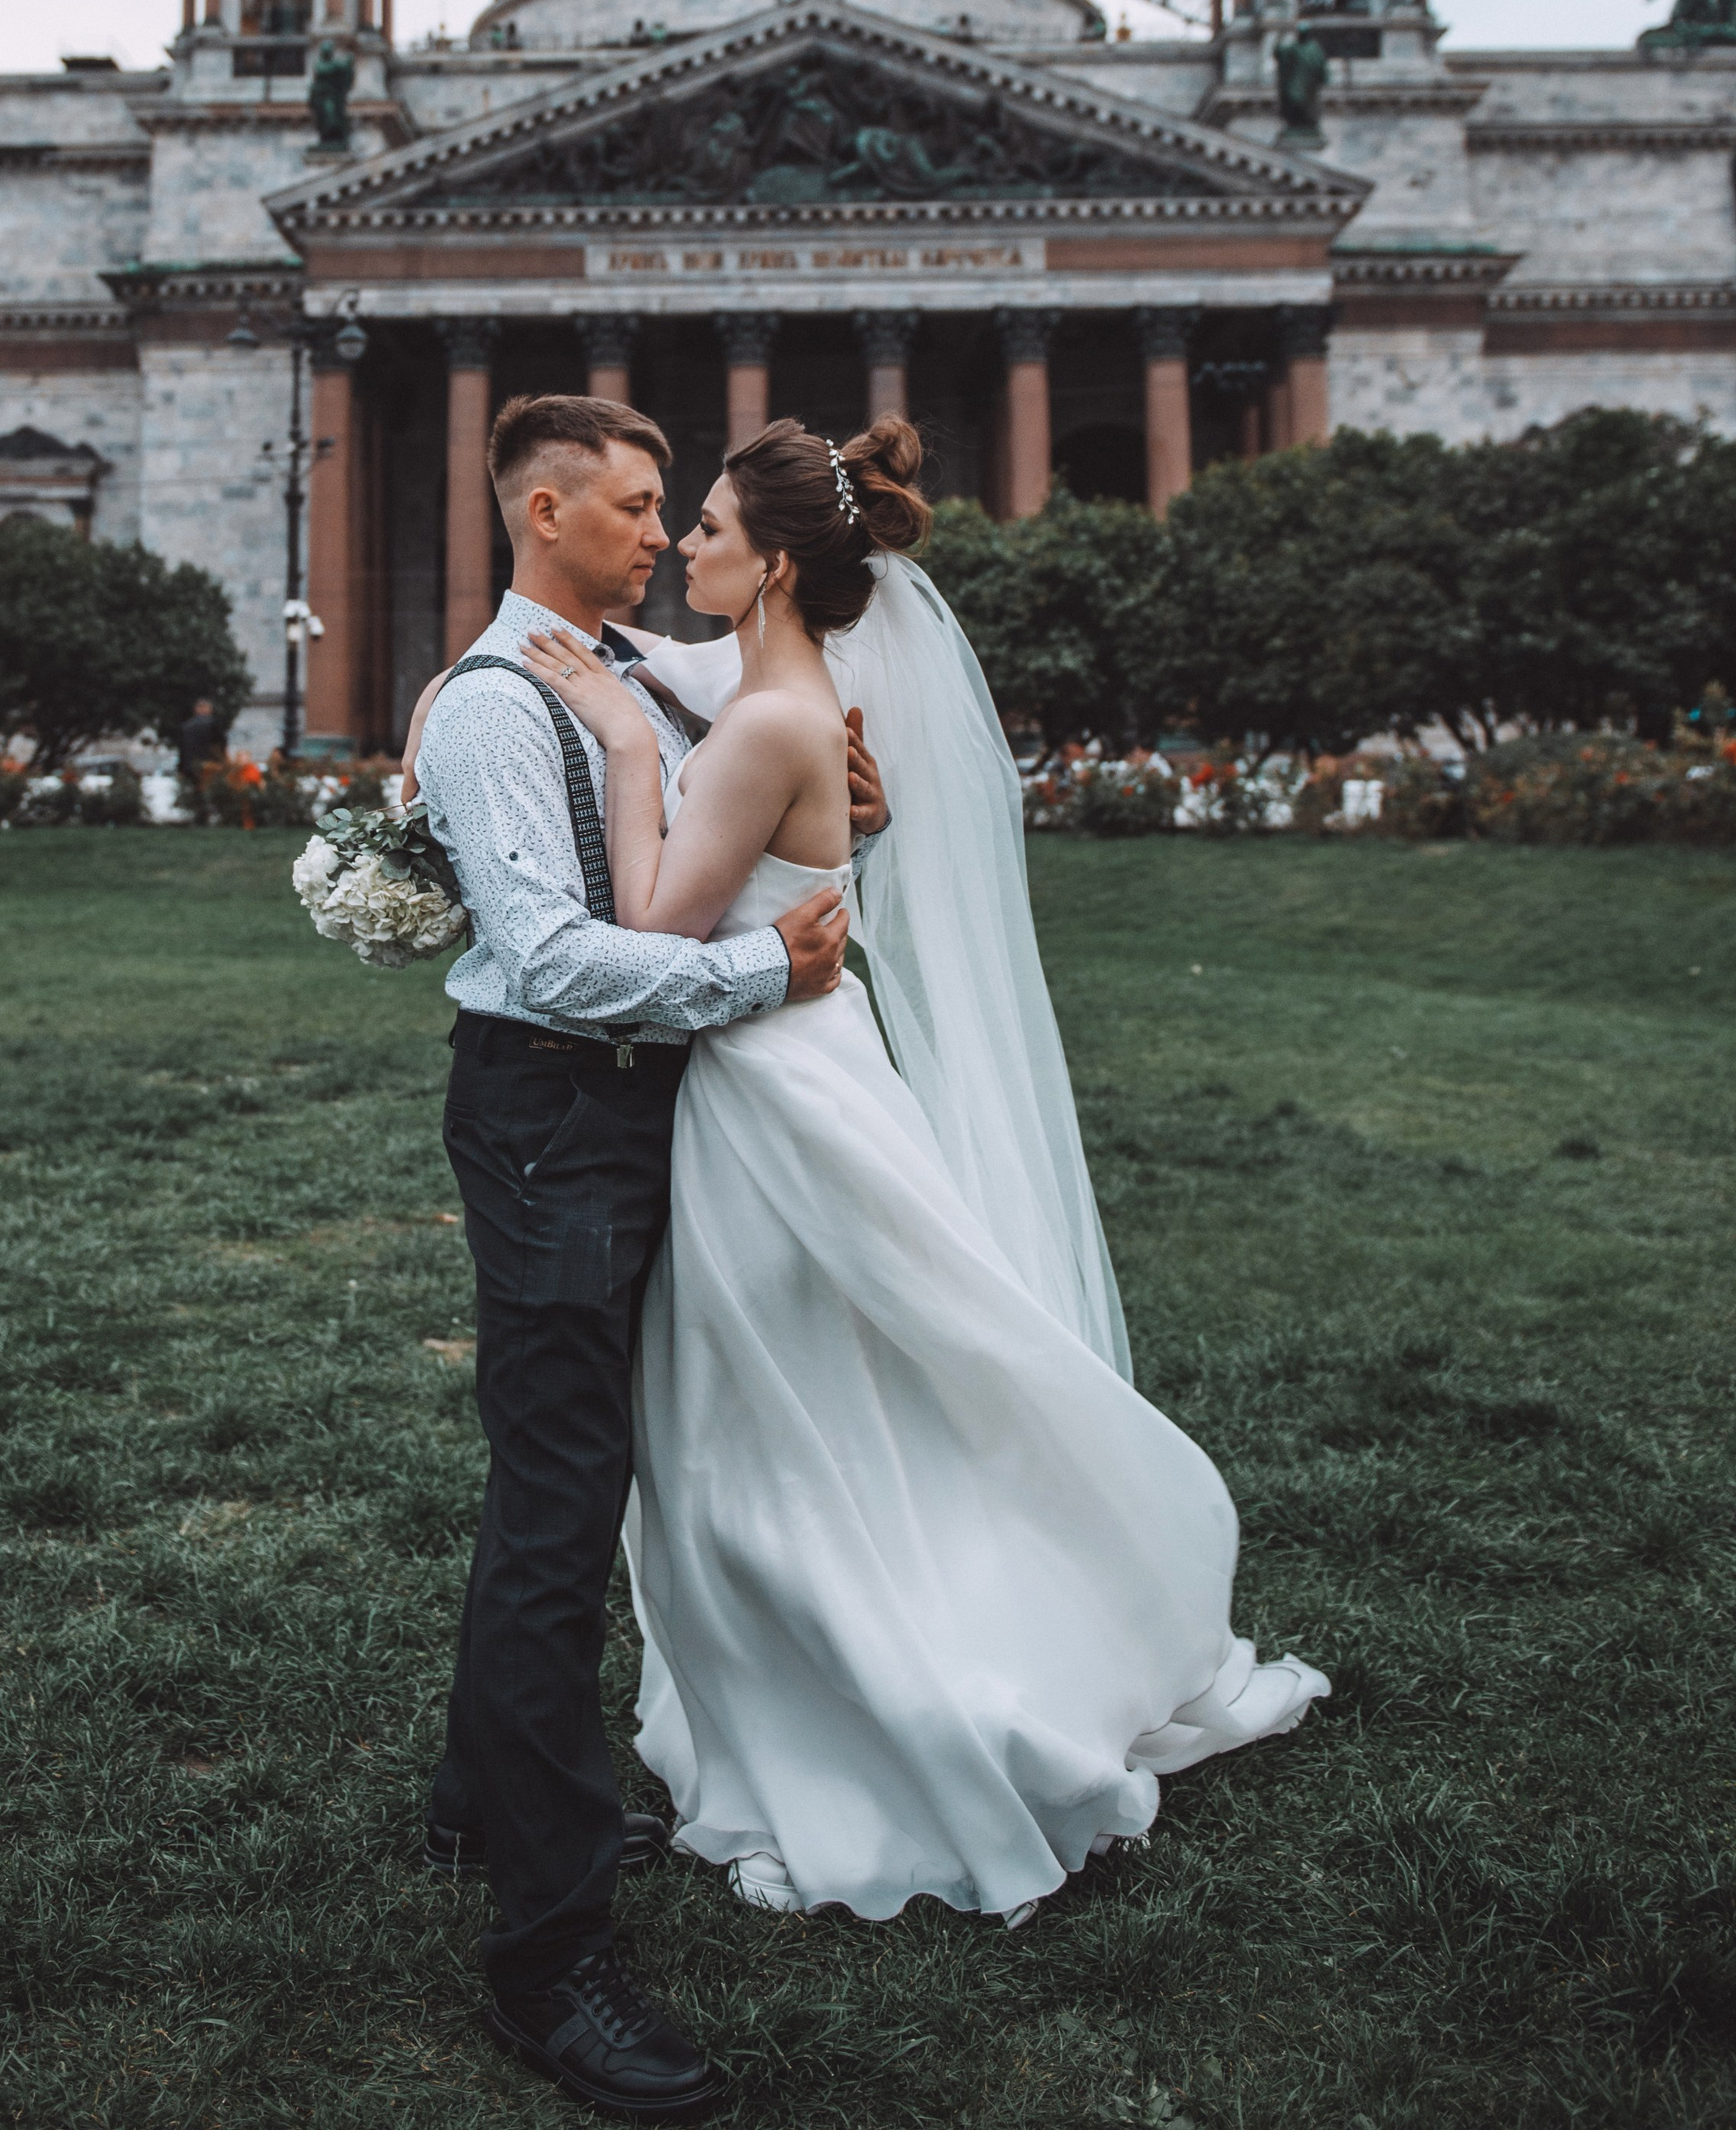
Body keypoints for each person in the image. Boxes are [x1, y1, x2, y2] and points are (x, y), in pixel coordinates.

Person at [521, 411, 1327, 1947]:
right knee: (820, 1399)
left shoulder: (768, 725)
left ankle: (874, 1708)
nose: (676, 544)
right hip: (803, 1071)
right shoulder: (778, 693)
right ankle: (838, 1673)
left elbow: (650, 930)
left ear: (767, 570)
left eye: (702, 528)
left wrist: (627, 746)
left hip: (767, 1096)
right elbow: (689, 685)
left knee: (776, 1414)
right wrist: (593, 680)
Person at [411, 394, 888, 2124]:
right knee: (560, 1503)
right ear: (542, 510)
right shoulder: (487, 709)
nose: (654, 537)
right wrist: (769, 975)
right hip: (554, 1108)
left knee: (557, 1473)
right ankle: (551, 1963)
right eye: (627, 509)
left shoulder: (616, 666)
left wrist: (829, 792)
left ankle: (484, 1798)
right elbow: (548, 959)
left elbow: (756, 727)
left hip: (606, 1114)